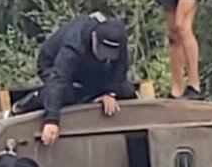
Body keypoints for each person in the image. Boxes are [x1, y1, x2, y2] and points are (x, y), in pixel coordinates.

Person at [16, 13, 136, 146]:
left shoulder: (118, 37)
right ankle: (29, 101)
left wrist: (109, 93)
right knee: (67, 94)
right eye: (103, 51)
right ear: (94, 38)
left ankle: (92, 94)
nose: (106, 56)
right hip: (52, 64)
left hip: (90, 67)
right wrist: (51, 120)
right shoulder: (74, 44)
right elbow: (59, 79)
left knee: (126, 90)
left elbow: (120, 68)